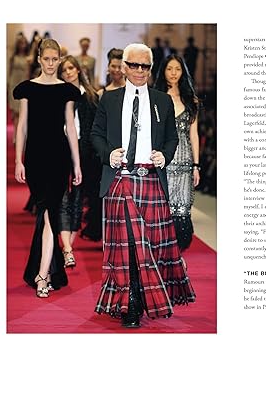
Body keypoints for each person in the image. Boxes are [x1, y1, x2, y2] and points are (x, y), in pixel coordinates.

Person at [91, 43, 195, 328]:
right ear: (124, 67)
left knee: (148, 245)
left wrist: (165, 155)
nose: (139, 71)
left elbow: (172, 138)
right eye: (134, 65)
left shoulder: (162, 101)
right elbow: (95, 134)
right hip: (120, 178)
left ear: (150, 69)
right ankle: (131, 303)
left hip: (151, 179)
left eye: (145, 66)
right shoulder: (109, 99)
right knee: (128, 244)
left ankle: (141, 297)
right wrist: (108, 154)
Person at [13, 38, 82, 298]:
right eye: (47, 59)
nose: (51, 64)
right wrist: (18, 160)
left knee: (50, 212)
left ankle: (42, 274)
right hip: (35, 159)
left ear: (60, 60)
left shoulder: (67, 91)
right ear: (40, 59)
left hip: (59, 158)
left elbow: (70, 127)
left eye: (55, 59)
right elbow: (22, 126)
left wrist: (76, 163)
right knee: (45, 213)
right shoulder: (27, 89)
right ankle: (48, 271)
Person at [153, 54, 201, 251]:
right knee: (161, 208)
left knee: (181, 210)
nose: (173, 73)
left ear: (183, 72)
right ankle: (162, 254)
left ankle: (177, 254)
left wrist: (196, 165)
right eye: (169, 68)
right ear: (163, 71)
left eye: (178, 69)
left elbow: (194, 135)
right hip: (162, 161)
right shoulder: (155, 98)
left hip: (184, 163)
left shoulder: (191, 101)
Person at [58, 55, 100, 263]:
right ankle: (66, 247)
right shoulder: (56, 96)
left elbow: (95, 129)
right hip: (59, 151)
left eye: (71, 68)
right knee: (62, 198)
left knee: (76, 199)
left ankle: (69, 247)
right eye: (64, 70)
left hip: (85, 154)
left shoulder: (90, 97)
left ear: (77, 70)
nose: (68, 72)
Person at [8, 33, 31, 144]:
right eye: (21, 43)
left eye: (24, 43)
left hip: (24, 86)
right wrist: (7, 85)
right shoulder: (13, 57)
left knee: (22, 112)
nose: (23, 45)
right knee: (15, 113)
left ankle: (21, 135)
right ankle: (15, 135)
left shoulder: (29, 58)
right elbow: (9, 72)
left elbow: (28, 74)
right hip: (13, 84)